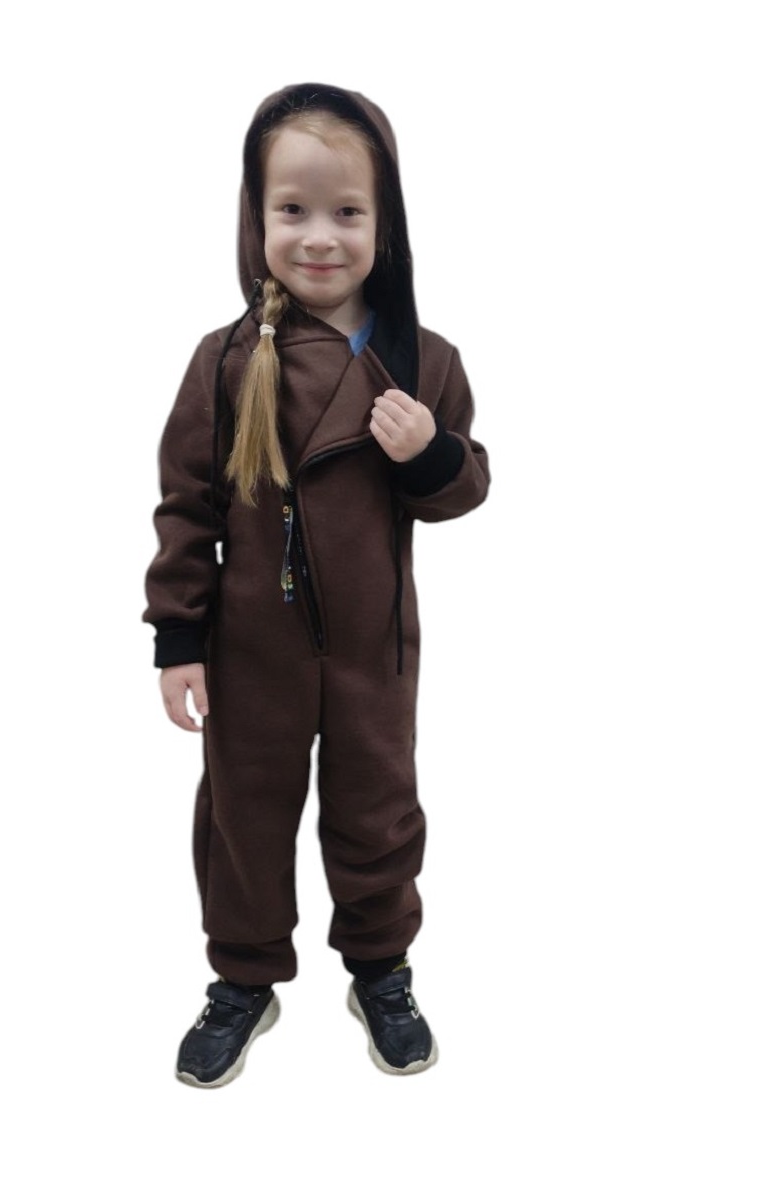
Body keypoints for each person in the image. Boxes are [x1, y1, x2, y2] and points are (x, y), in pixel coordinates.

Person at [143, 82, 490, 1087]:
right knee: (244, 814)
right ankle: (242, 979)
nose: (320, 237)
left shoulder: (422, 361)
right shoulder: (224, 362)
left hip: (374, 651)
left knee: (378, 810)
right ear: (255, 218)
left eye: (348, 211)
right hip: (252, 648)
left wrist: (430, 453)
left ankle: (381, 969)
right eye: (292, 209)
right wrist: (177, 640)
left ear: (387, 224)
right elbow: (186, 509)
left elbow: (464, 490)